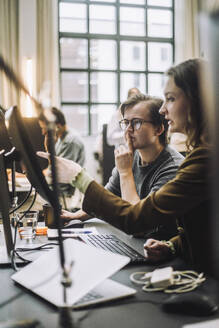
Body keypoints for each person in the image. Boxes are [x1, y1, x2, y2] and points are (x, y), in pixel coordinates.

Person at [38, 59, 210, 271]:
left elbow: (137, 221)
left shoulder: (197, 161)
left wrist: (79, 176)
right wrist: (172, 246)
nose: (164, 110)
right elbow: (202, 228)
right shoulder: (197, 155)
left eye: (171, 99)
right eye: (126, 123)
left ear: (198, 101)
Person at [61, 94, 184, 240]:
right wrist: (77, 215)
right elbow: (109, 196)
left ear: (158, 129)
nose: (128, 130)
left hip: (158, 246)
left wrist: (125, 172)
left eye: (137, 123)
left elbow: (138, 226)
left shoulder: (173, 168)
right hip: (137, 242)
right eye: (126, 123)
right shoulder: (132, 156)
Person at [38, 107, 85, 209]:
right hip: (57, 193)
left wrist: (48, 149)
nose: (42, 132)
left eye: (44, 128)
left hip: (64, 197)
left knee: (27, 204)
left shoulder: (70, 142)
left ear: (57, 126)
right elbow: (51, 169)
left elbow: (59, 175)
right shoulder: (61, 138)